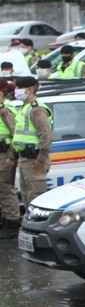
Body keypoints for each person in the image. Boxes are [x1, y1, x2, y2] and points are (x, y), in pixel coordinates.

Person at [12, 76, 52, 213]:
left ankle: (38, 226)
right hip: (25, 158)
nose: (16, 91)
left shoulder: (36, 108)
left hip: (35, 158)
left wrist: (41, 158)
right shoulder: (25, 107)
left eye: (19, 88)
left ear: (30, 89)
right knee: (26, 194)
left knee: (36, 195)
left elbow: (45, 134)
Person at [0, 80, 18, 239]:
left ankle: (12, 222)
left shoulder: (6, 110)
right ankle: (5, 219)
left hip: (4, 154)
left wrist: (11, 156)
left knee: (5, 188)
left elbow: (16, 135)